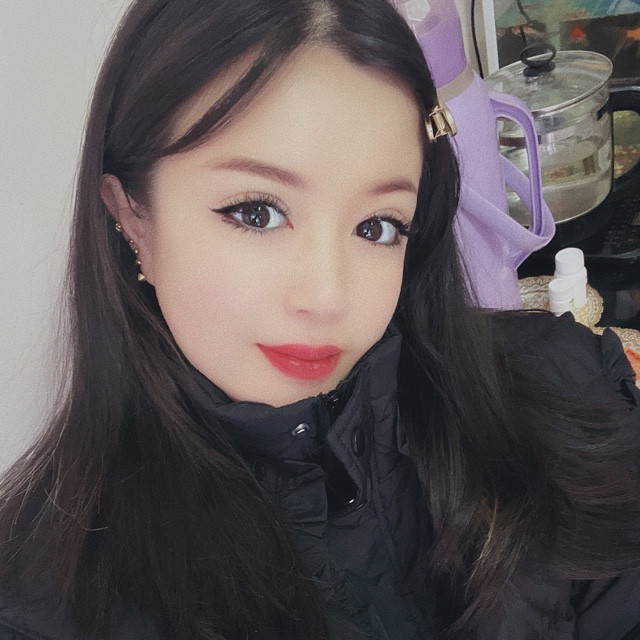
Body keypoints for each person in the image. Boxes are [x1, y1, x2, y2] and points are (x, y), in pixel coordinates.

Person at [0, 0, 639, 638]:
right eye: (256, 212)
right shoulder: (43, 598)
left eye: (377, 226)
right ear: (132, 215)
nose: (328, 297)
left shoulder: (570, 391)